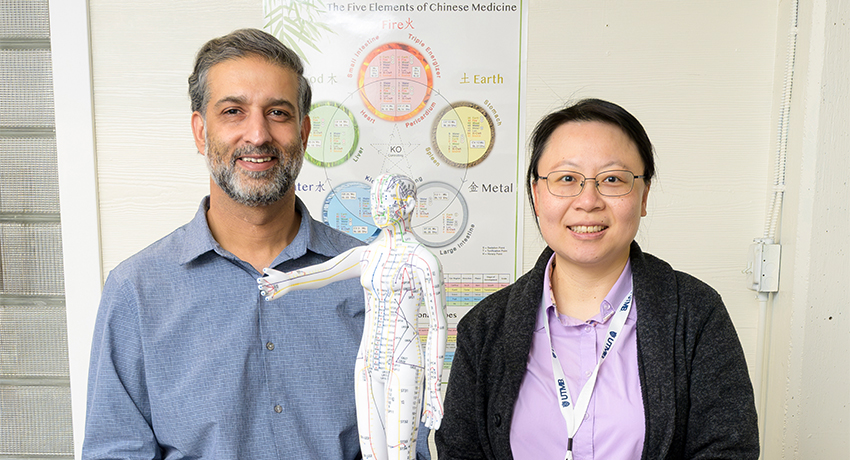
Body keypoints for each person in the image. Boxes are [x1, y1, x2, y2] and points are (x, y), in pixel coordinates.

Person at [83, 29, 429, 459]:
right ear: (199, 131)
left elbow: (404, 437)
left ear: (303, 132)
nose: (258, 134)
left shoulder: (370, 276)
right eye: (233, 111)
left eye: (278, 113)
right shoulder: (136, 290)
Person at [435, 98, 759, 459]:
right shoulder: (485, 328)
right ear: (537, 195)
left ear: (644, 196)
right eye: (567, 179)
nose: (588, 201)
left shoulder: (695, 314)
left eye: (612, 180)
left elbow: (729, 450)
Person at [258, 173, 447, 460]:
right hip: (367, 363)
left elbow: (437, 325)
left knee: (401, 455)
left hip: (404, 363)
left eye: (387, 200)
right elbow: (325, 271)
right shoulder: (367, 255)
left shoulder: (423, 261)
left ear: (408, 205)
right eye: (376, 201)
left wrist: (433, 390)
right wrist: (288, 280)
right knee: (371, 453)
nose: (379, 208)